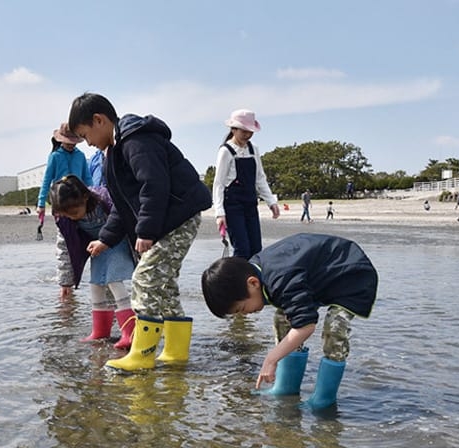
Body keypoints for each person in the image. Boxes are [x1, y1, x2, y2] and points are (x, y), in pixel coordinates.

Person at [68, 92, 213, 372]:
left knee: (145, 279)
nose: (88, 143)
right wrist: (105, 240)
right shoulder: (113, 154)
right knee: (164, 284)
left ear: (99, 120)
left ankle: (142, 354)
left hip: (178, 217)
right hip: (165, 220)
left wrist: (145, 231)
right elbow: (122, 208)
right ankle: (175, 352)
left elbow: (154, 186)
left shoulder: (136, 141)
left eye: (86, 135)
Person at [201, 233, 378, 410]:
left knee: (334, 329)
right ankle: (286, 387)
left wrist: (271, 359)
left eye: (241, 309)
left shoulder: (280, 279)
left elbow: (306, 325)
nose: (245, 315)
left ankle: (324, 399)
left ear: (253, 283)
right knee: (282, 318)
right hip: (319, 277)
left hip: (351, 274)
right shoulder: (258, 272)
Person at [49, 175, 136, 349]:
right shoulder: (65, 218)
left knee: (113, 280)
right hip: (96, 246)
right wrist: (65, 281)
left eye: (74, 213)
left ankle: (130, 332)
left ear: (85, 197)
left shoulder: (104, 199)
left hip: (116, 242)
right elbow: (64, 248)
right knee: (96, 283)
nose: (72, 218)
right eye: (67, 215)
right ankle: (100, 331)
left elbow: (125, 218)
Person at [213, 109, 280, 259]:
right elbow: (218, 184)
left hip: (250, 203)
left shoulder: (253, 149)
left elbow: (260, 178)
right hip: (232, 205)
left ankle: (255, 280)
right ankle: (239, 281)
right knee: (241, 249)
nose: (247, 134)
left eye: (250, 131)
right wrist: (219, 213)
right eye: (243, 131)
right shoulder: (226, 151)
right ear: (233, 129)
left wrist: (271, 202)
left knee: (256, 248)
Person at [36, 123, 93, 216]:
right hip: (59, 200)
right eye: (68, 142)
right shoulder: (55, 156)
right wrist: (41, 204)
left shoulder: (80, 155)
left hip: (77, 199)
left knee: (81, 229)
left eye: (73, 142)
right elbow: (47, 180)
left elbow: (87, 178)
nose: (71, 144)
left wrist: (95, 194)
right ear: (61, 140)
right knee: (63, 229)